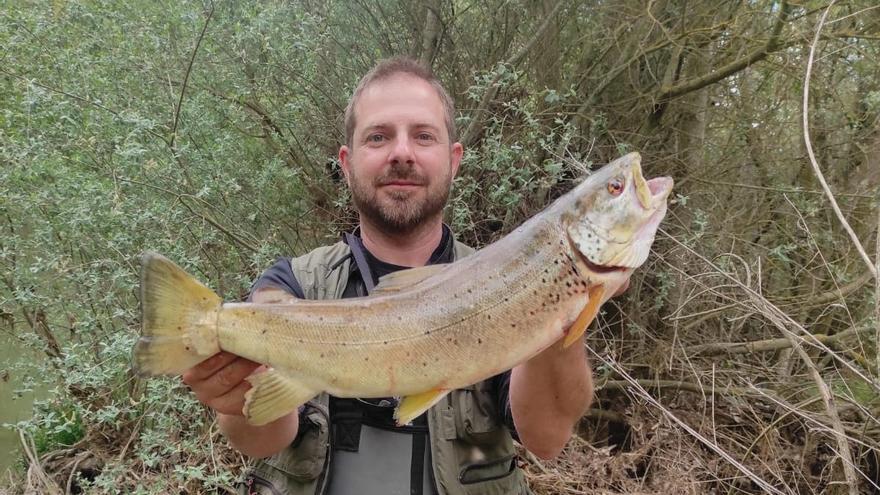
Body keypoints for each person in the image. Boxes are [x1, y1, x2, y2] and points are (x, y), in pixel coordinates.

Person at [182, 57, 605, 495]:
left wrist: (559, 296)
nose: (402, 153)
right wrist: (232, 392)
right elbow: (261, 438)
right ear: (346, 163)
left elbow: (547, 439)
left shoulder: (502, 282)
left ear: (453, 159)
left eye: (423, 136)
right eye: (378, 137)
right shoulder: (292, 284)